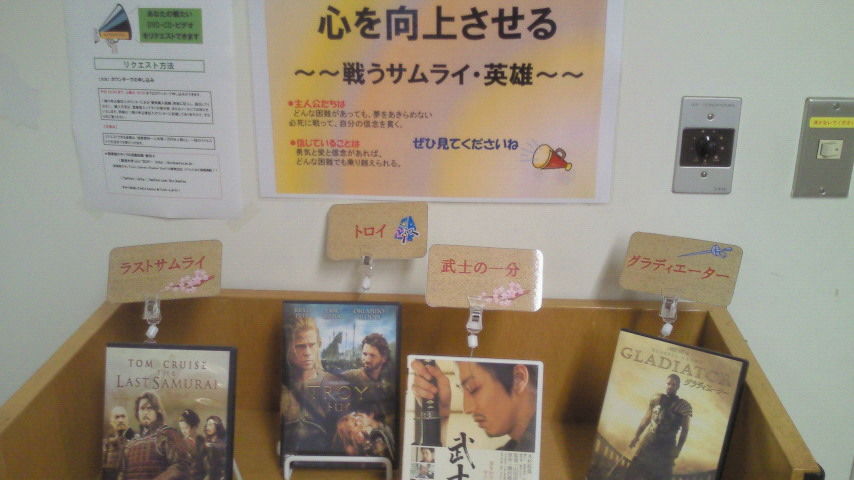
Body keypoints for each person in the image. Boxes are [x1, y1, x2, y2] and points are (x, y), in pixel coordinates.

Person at [410, 359, 538, 452]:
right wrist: (438, 418)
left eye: (473, 388)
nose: (467, 408)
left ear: (518, 378)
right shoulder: (508, 454)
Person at [280, 317, 349, 452]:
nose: (307, 352)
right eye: (300, 346)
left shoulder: (335, 384)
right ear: (289, 348)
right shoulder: (282, 389)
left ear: (318, 345)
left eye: (311, 345)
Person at [624, 374, 693, 480]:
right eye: (668, 383)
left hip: (667, 446)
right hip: (648, 441)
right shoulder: (656, 398)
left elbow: (685, 431)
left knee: (660, 476)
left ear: (678, 386)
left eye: (673, 384)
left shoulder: (683, 406)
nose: (670, 386)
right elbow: (646, 419)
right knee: (633, 473)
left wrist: (678, 449)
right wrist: (636, 436)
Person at [119, 391, 191, 479]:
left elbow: (181, 466)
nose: (145, 412)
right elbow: (122, 474)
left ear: (157, 411)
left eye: (149, 408)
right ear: (137, 412)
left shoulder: (167, 434)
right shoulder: (131, 442)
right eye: (142, 409)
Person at [341, 333, 396, 426]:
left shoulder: (386, 387)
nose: (367, 359)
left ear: (384, 358)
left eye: (372, 355)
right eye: (365, 354)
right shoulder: (349, 377)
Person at [331, 411, 395, 458]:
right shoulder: (364, 445)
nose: (359, 422)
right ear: (351, 435)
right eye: (355, 424)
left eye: (356, 418)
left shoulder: (375, 432)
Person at [102, 406, 135, 480]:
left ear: (128, 420)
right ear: (111, 421)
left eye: (123, 417)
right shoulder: (105, 444)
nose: (120, 420)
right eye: (117, 417)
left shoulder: (137, 441)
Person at [177, 409, 205, 480]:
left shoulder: (203, 441)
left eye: (186, 428)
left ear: (195, 427)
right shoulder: (181, 443)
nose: (183, 431)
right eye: (181, 428)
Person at [201, 416, 227, 480]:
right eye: (207, 425)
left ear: (217, 426)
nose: (207, 427)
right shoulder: (205, 441)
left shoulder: (222, 443)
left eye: (210, 425)